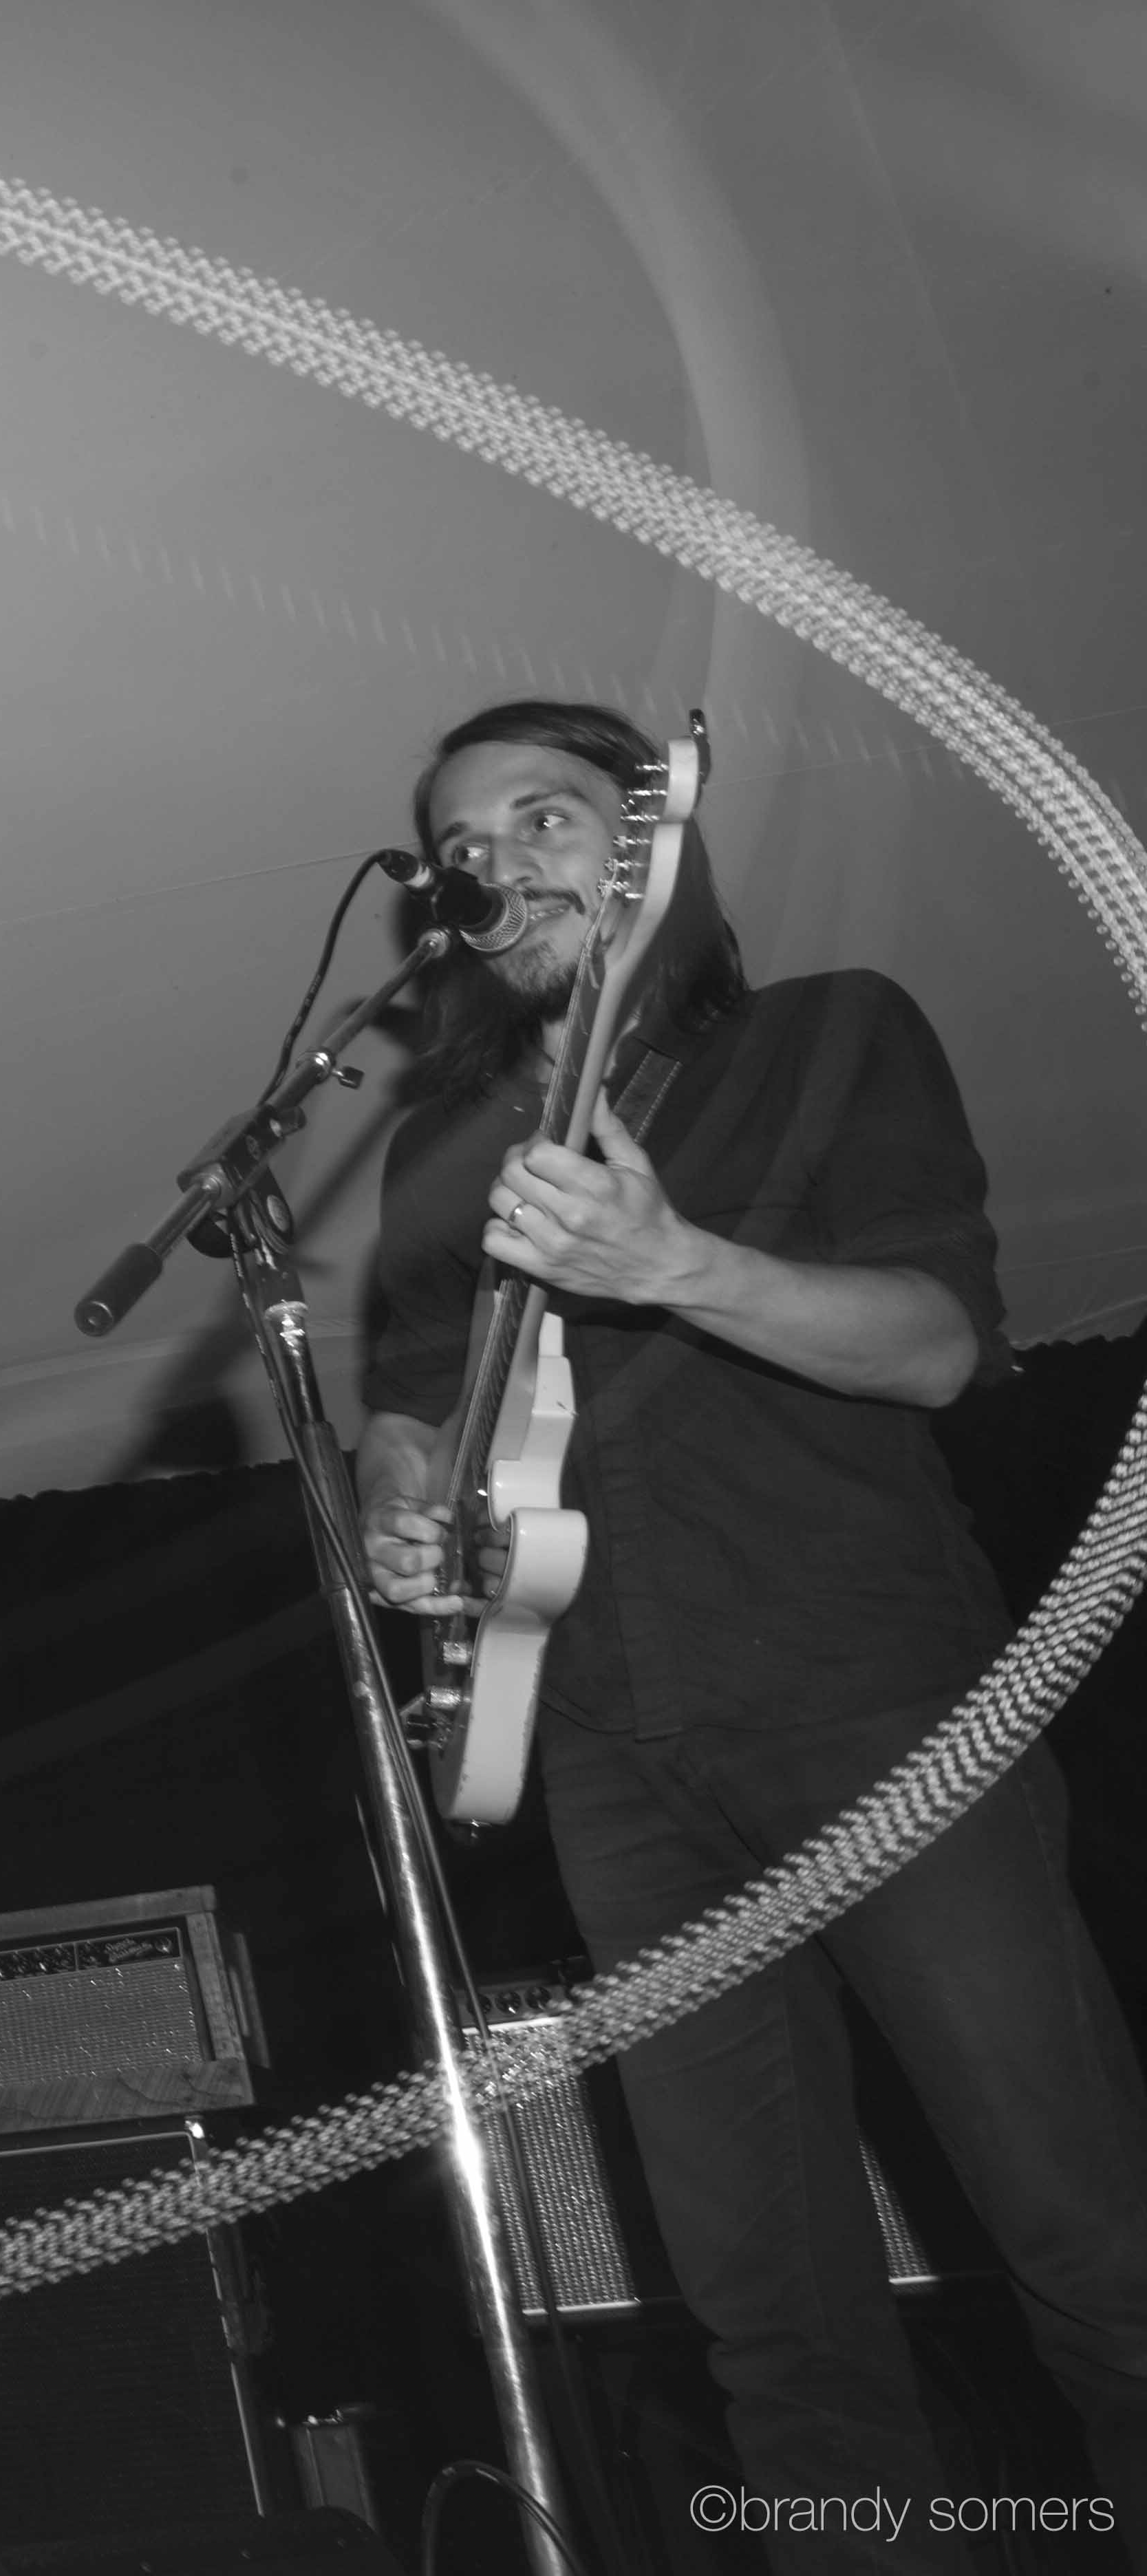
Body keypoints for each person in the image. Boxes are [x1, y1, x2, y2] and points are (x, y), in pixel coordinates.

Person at [355, 702, 1147, 2571]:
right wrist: (403, 1498)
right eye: (462, 853)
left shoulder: (830, 1033)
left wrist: (676, 1264)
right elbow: (406, 1409)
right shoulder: (440, 1150)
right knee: (769, 2316)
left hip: (872, 1700)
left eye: (544, 818)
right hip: (606, 1750)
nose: (498, 866)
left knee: (1083, 2229)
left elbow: (936, 1345)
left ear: (653, 846)